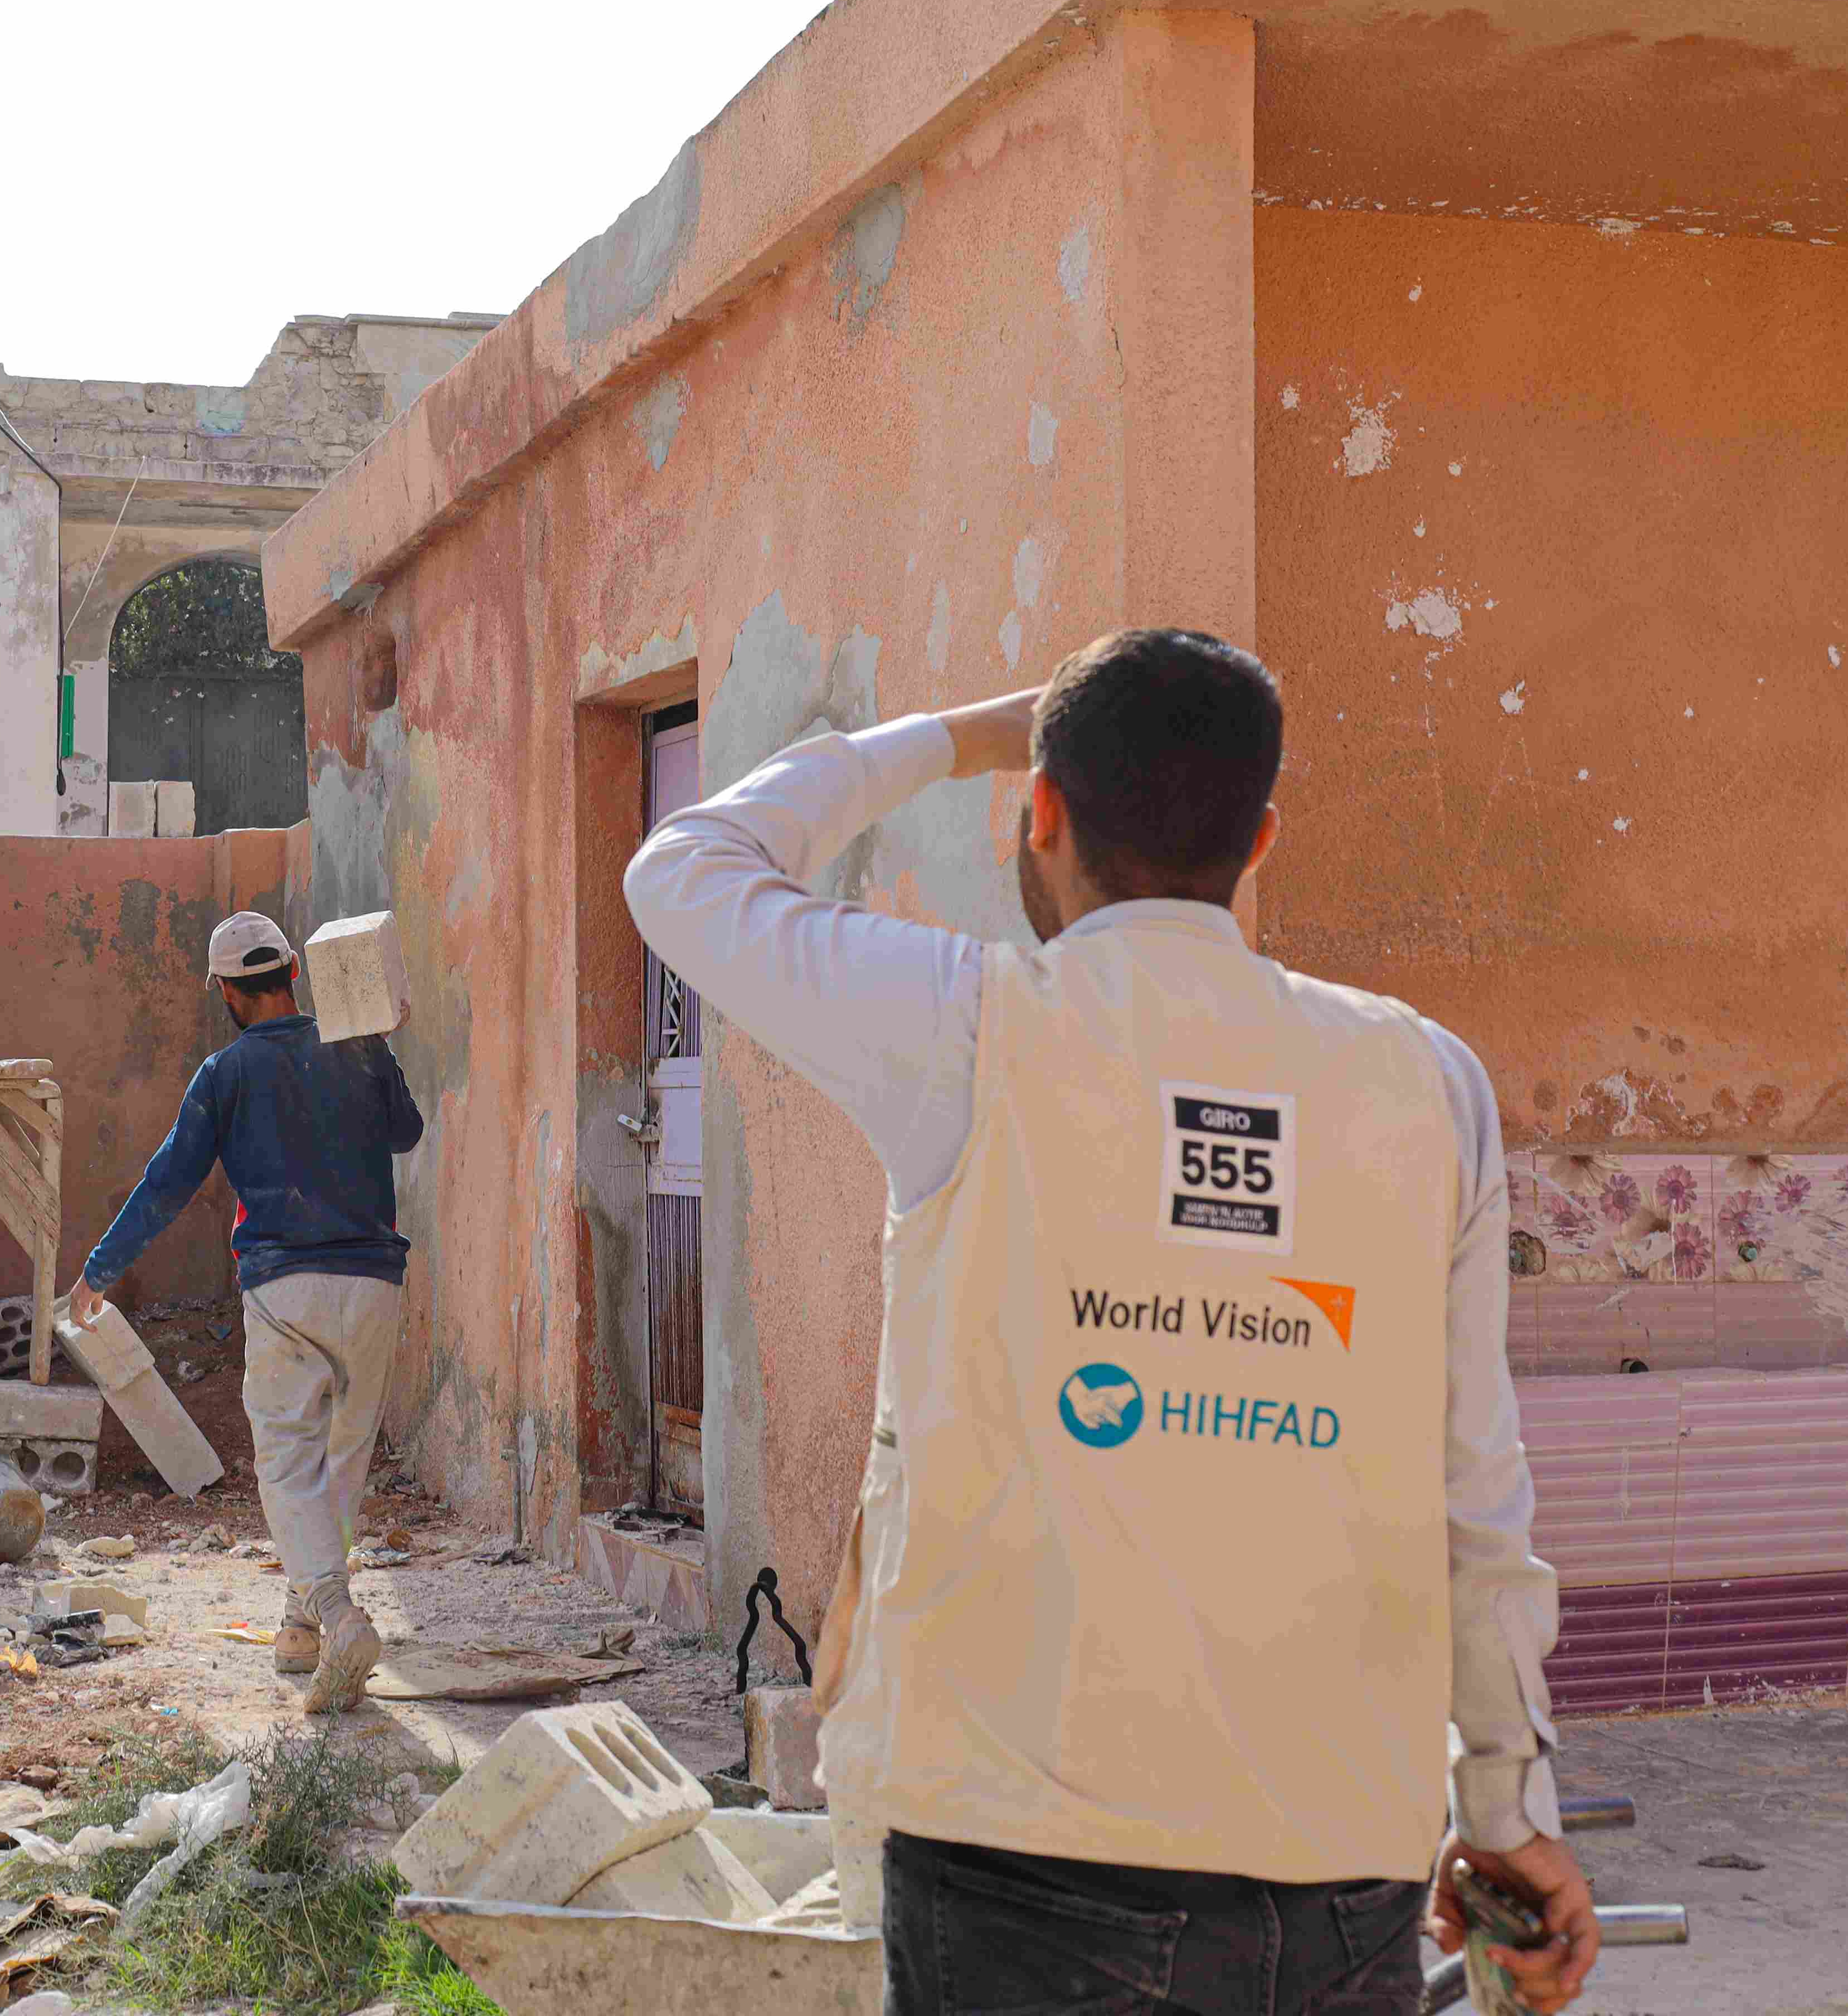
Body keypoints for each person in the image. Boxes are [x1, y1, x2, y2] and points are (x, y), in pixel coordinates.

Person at [623, 628, 1597, 2016]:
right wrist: (1505, 1808)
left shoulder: (965, 1028)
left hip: (1020, 1871)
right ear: (1261, 838)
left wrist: (956, 731)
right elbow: (1478, 1494)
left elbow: (684, 872)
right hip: (1338, 1871)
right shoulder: (1426, 1082)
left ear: (1041, 811)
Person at [68, 910, 425, 1712]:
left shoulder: (223, 1074)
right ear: (294, 972)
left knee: (288, 1463)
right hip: (374, 1283)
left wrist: (100, 1269)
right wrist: (381, 1037)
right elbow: (407, 1132)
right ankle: (301, 1624)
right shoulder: (357, 1045)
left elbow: (168, 1182)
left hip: (283, 1285)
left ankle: (334, 1613)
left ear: (229, 991)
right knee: (342, 1460)